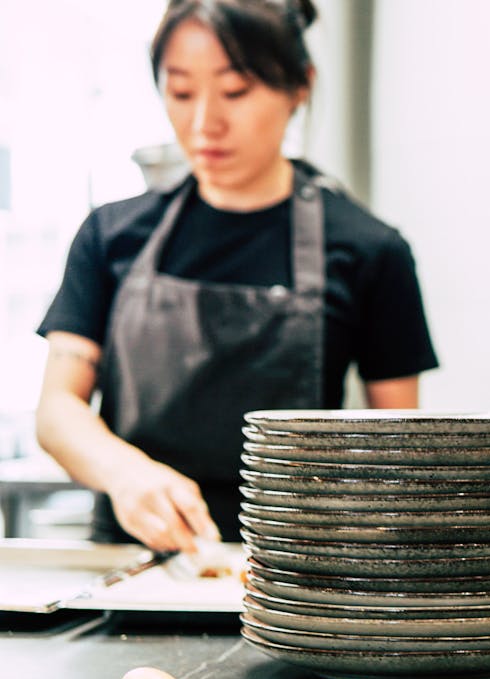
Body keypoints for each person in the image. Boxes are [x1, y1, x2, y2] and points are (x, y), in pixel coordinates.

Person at [34, 0, 438, 552]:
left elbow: (400, 449)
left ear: (300, 87)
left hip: (293, 580)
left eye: (236, 91)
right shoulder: (111, 234)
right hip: (133, 569)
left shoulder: (371, 250)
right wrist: (125, 474)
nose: (204, 124)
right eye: (180, 93)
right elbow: (58, 411)